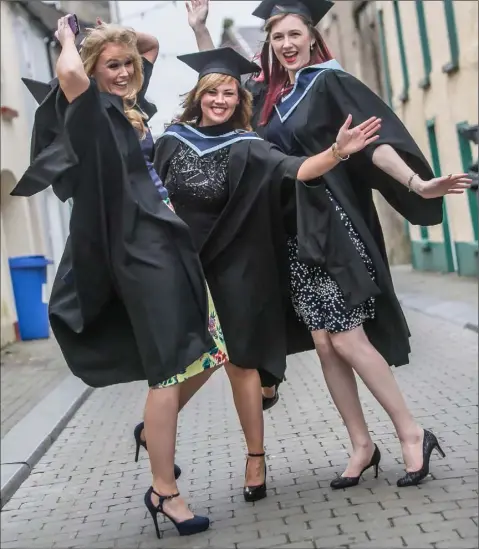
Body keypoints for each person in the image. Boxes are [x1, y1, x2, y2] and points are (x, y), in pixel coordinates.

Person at [189, 0, 471, 488]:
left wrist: (415, 184)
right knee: (324, 343)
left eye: (295, 34)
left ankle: (412, 433)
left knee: (346, 337)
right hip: (293, 234)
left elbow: (373, 140)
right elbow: (223, 86)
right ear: (269, 46)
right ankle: (361, 443)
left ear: (312, 36)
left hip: (332, 224)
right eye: (278, 38)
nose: (287, 44)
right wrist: (200, 31)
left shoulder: (329, 82)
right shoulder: (268, 94)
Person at [134, 46, 380, 505]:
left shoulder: (250, 146)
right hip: (185, 264)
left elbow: (297, 170)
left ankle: (255, 457)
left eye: (229, 92)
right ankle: (155, 427)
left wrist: (336, 152)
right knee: (193, 357)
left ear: (238, 100)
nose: (221, 99)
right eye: (213, 92)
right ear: (199, 96)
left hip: (237, 266)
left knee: (241, 361)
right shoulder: (171, 139)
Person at [11, 17, 229, 538]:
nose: (127, 70)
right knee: (168, 368)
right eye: (114, 64)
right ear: (93, 71)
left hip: (167, 242)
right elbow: (68, 71)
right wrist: (70, 38)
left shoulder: (128, 104)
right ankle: (165, 491)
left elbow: (149, 44)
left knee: (215, 350)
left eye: (128, 64)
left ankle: (153, 434)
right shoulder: (89, 107)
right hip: (137, 251)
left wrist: (113, 32)